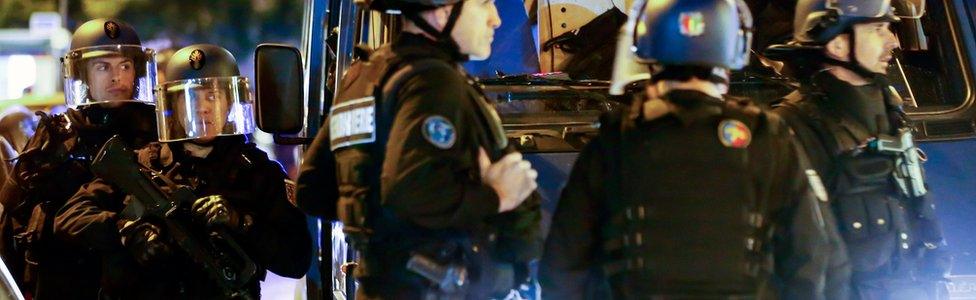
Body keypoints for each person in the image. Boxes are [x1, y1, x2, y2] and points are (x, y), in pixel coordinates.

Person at [540, 1, 850, 299]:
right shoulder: (768, 137)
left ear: (649, 49)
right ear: (733, 46)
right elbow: (815, 260)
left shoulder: (613, 143)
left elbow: (563, 267)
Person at [296, 0, 542, 297]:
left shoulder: (365, 76)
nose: (495, 20)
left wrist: (377, 218)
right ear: (441, 11)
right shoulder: (432, 81)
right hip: (433, 287)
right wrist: (496, 196)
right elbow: (409, 192)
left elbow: (312, 190)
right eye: (483, 4)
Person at [54, 44, 311, 299]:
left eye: (213, 96)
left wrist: (241, 223)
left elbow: (297, 260)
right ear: (173, 106)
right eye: (190, 97)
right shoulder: (144, 163)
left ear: (230, 102)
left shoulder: (259, 173)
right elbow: (70, 217)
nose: (202, 108)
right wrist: (127, 231)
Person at [764, 0, 951, 299]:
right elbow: (791, 255)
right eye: (878, 29)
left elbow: (913, 204)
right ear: (838, 44)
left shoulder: (888, 109)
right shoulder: (794, 127)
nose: (893, 40)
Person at [0, 18, 158, 299]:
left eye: (125, 66)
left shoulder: (156, 134)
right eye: (103, 67)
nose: (116, 77)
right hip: (67, 283)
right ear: (83, 74)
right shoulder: (58, 134)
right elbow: (13, 215)